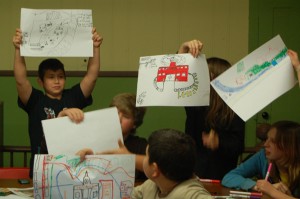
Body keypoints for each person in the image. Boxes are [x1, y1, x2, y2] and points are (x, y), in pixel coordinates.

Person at [12, 27, 103, 178]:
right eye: (51, 77)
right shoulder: (36, 100)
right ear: (40, 81)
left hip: (72, 168)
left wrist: (95, 48)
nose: (56, 81)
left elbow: (92, 76)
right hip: (42, 170)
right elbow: (21, 80)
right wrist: (18, 49)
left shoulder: (73, 97)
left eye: (61, 76)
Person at [77, 129, 212, 199]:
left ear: (154, 169)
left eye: (146, 156)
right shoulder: (152, 185)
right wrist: (92, 162)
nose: (142, 159)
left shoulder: (190, 193)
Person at [178, 40, 245, 180]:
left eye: (203, 72)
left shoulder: (233, 109)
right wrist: (183, 49)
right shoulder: (196, 103)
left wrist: (219, 142)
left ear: (213, 77)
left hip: (221, 176)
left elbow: (238, 146)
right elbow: (179, 79)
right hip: (193, 172)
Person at [221, 120, 300, 199]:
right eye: (267, 139)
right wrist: (257, 186)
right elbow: (229, 177)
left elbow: (272, 192)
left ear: (288, 147)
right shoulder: (263, 157)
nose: (265, 144)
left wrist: (272, 191)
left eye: (272, 141)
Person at [109, 93, 148, 180]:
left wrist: (128, 157)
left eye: (126, 116)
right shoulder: (96, 138)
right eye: (116, 113)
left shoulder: (141, 145)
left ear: (134, 123)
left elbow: (157, 168)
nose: (118, 119)